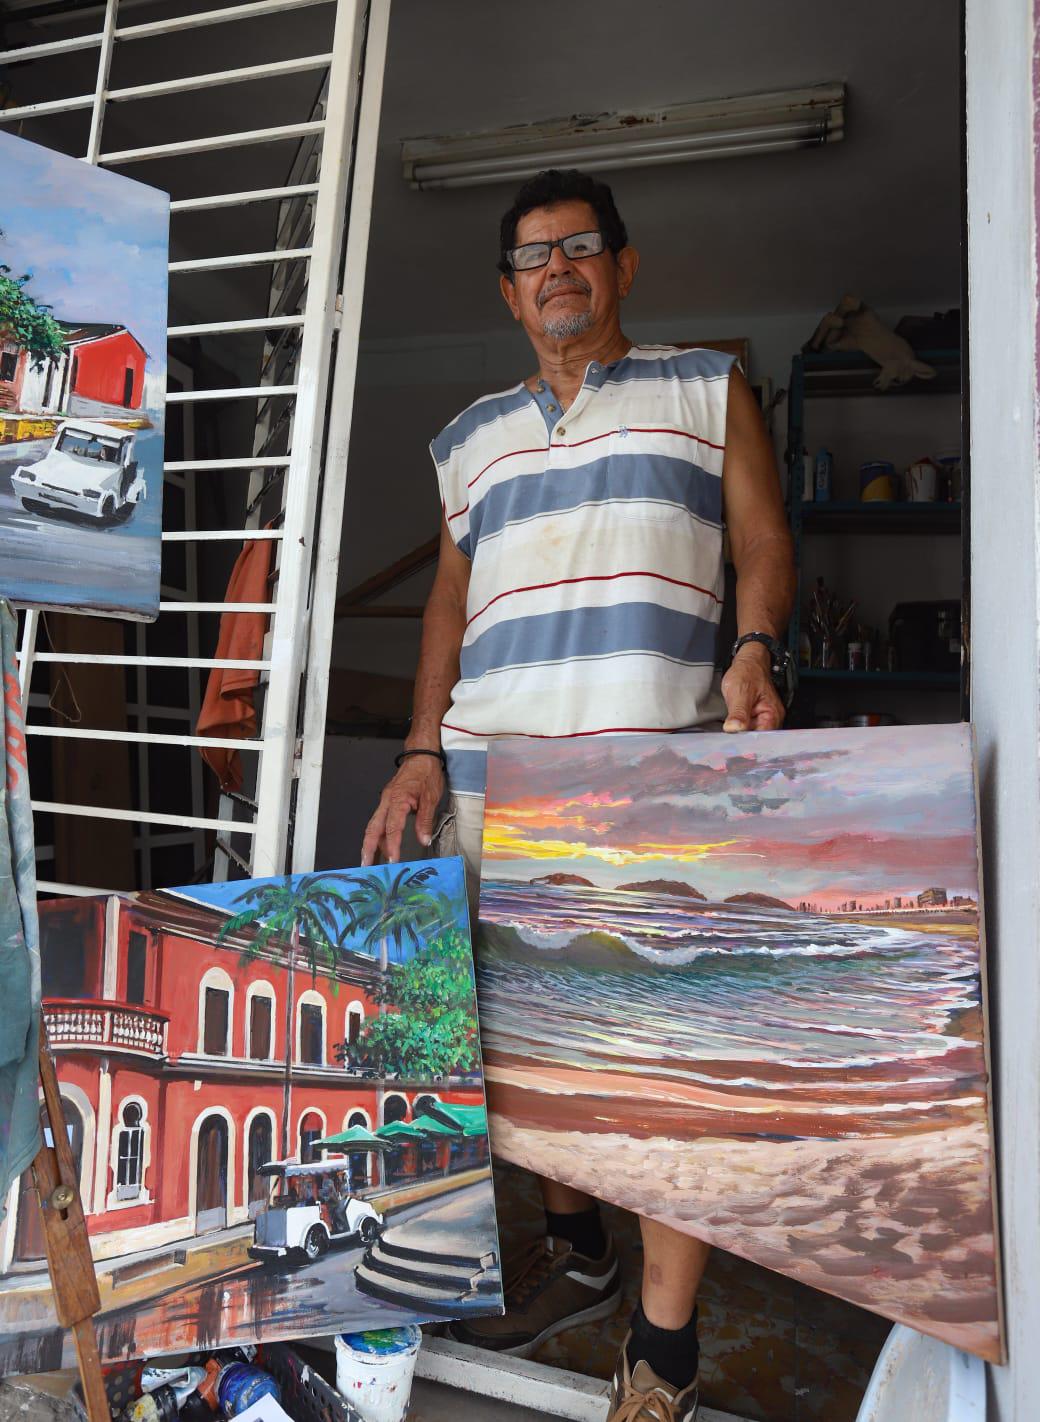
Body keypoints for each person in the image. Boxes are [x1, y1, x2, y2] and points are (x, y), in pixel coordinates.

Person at [362, 168, 795, 1422]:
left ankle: (661, 1353)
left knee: (663, 1071)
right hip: (491, 782)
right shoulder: (469, 438)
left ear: (622, 266)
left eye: (580, 246)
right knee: (514, 1052)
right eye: (532, 256)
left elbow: (761, 539)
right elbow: (448, 606)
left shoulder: (703, 387)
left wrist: (754, 645)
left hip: (651, 783)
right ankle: (580, 1256)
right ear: (507, 294)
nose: (556, 268)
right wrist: (420, 745)